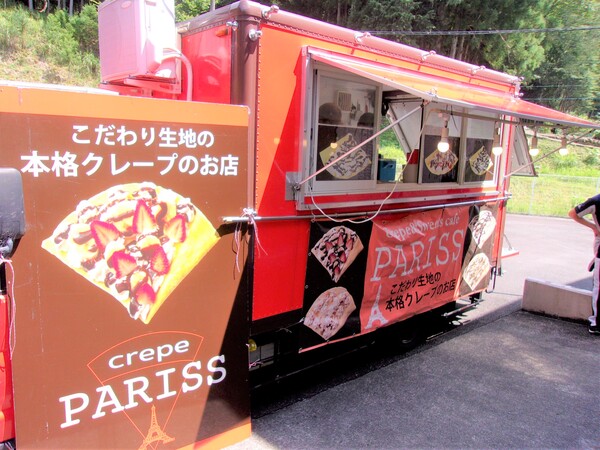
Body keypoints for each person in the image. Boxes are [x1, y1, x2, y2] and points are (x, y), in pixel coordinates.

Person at [568, 194, 600, 335]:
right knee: (599, 286)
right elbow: (574, 213)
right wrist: (594, 227)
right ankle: (596, 323)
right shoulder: (596, 201)